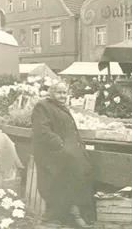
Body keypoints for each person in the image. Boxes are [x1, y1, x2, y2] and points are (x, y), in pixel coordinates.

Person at [31, 81, 94, 228]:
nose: (62, 96)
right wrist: (61, 145)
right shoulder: (43, 106)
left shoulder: (63, 108)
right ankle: (60, 217)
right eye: (59, 92)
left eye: (64, 93)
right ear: (52, 92)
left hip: (69, 153)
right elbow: (42, 131)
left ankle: (73, 213)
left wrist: (81, 145)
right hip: (54, 153)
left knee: (81, 175)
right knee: (59, 182)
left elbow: (72, 130)